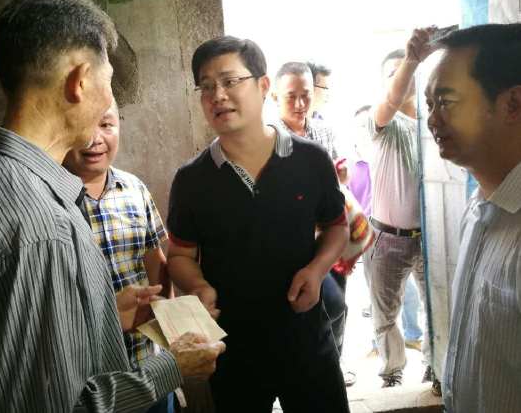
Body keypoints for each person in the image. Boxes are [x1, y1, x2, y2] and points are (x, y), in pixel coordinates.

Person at [0, 0, 224, 413]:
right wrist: (172, 367)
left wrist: (100, 315)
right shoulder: (39, 225)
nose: (107, 106)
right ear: (80, 82)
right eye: (108, 83)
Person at [166, 36, 350, 412]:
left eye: (230, 81)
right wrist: (198, 286)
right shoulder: (192, 179)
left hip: (306, 339)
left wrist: (317, 270)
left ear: (263, 86)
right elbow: (180, 255)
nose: (217, 95)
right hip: (234, 350)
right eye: (206, 86)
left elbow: (337, 227)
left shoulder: (311, 160)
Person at [425, 23, 521, 413]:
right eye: (429, 104)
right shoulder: (479, 206)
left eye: (446, 102)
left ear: (513, 104)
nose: (432, 120)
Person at [62, 99, 174, 413]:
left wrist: (170, 330)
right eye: (84, 125)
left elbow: (156, 262)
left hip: (148, 365)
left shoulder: (134, 189)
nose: (95, 138)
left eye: (106, 124)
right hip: (90, 381)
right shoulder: (50, 203)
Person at [270, 61, 371, 387]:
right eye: (291, 96)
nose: (300, 104)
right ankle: (302, 369)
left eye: (306, 95)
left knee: (338, 304)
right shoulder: (268, 137)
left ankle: (332, 363)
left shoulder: (323, 130)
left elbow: (338, 178)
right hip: (294, 241)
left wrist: (340, 177)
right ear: (274, 96)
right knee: (308, 302)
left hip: (331, 234)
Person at [363, 31, 435, 389]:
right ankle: (392, 372)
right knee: (385, 314)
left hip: (429, 238)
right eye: (392, 74)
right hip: (388, 238)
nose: (402, 78)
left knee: (434, 306)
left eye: (406, 71)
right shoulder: (381, 122)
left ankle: (435, 367)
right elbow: (392, 100)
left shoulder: (432, 124)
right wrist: (410, 60)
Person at [352, 106, 424, 354]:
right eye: (359, 126)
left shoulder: (399, 153)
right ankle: (388, 361)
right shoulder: (354, 164)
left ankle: (414, 337)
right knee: (381, 302)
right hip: (374, 234)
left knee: (413, 294)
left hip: (411, 234)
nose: (364, 131)